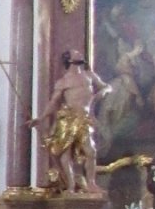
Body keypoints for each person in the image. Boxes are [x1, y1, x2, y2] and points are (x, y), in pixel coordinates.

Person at [29, 49, 112, 193]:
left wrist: (101, 93)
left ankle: (91, 183)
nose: (80, 54)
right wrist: (41, 117)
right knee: (65, 153)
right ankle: (71, 185)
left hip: (84, 118)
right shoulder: (64, 81)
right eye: (76, 54)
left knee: (90, 151)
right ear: (69, 60)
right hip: (68, 119)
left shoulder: (89, 75)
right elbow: (53, 102)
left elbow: (107, 87)